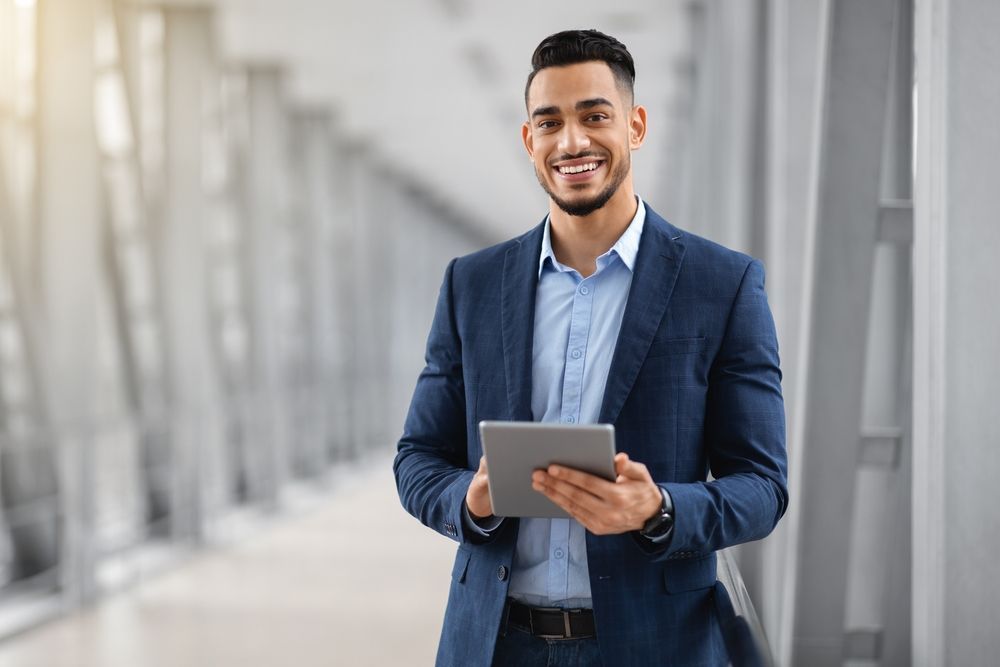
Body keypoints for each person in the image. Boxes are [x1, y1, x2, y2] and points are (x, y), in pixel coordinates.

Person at [394, 29, 788, 667]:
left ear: (635, 125)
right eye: (549, 122)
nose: (572, 142)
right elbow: (417, 459)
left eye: (595, 116)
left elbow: (764, 486)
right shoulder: (472, 284)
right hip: (494, 644)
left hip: (657, 644)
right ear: (529, 141)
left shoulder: (723, 284)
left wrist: (659, 507)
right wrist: (470, 500)